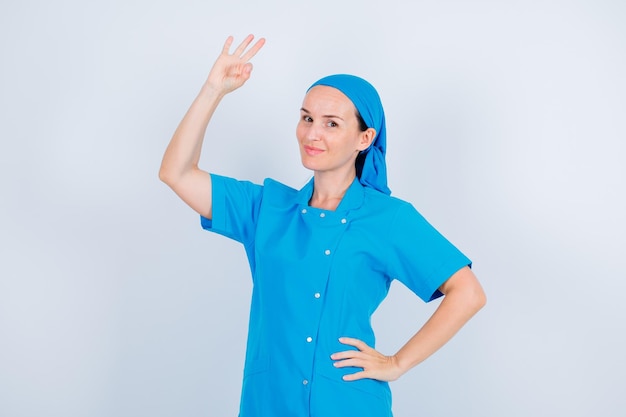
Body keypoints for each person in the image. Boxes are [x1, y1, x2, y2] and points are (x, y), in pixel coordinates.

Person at [159, 34, 486, 417]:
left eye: (331, 124)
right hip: (270, 402)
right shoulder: (266, 207)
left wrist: (397, 363)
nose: (312, 133)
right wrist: (213, 90)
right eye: (307, 118)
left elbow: (467, 292)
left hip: (347, 403)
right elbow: (176, 173)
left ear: (365, 138)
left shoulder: (389, 218)